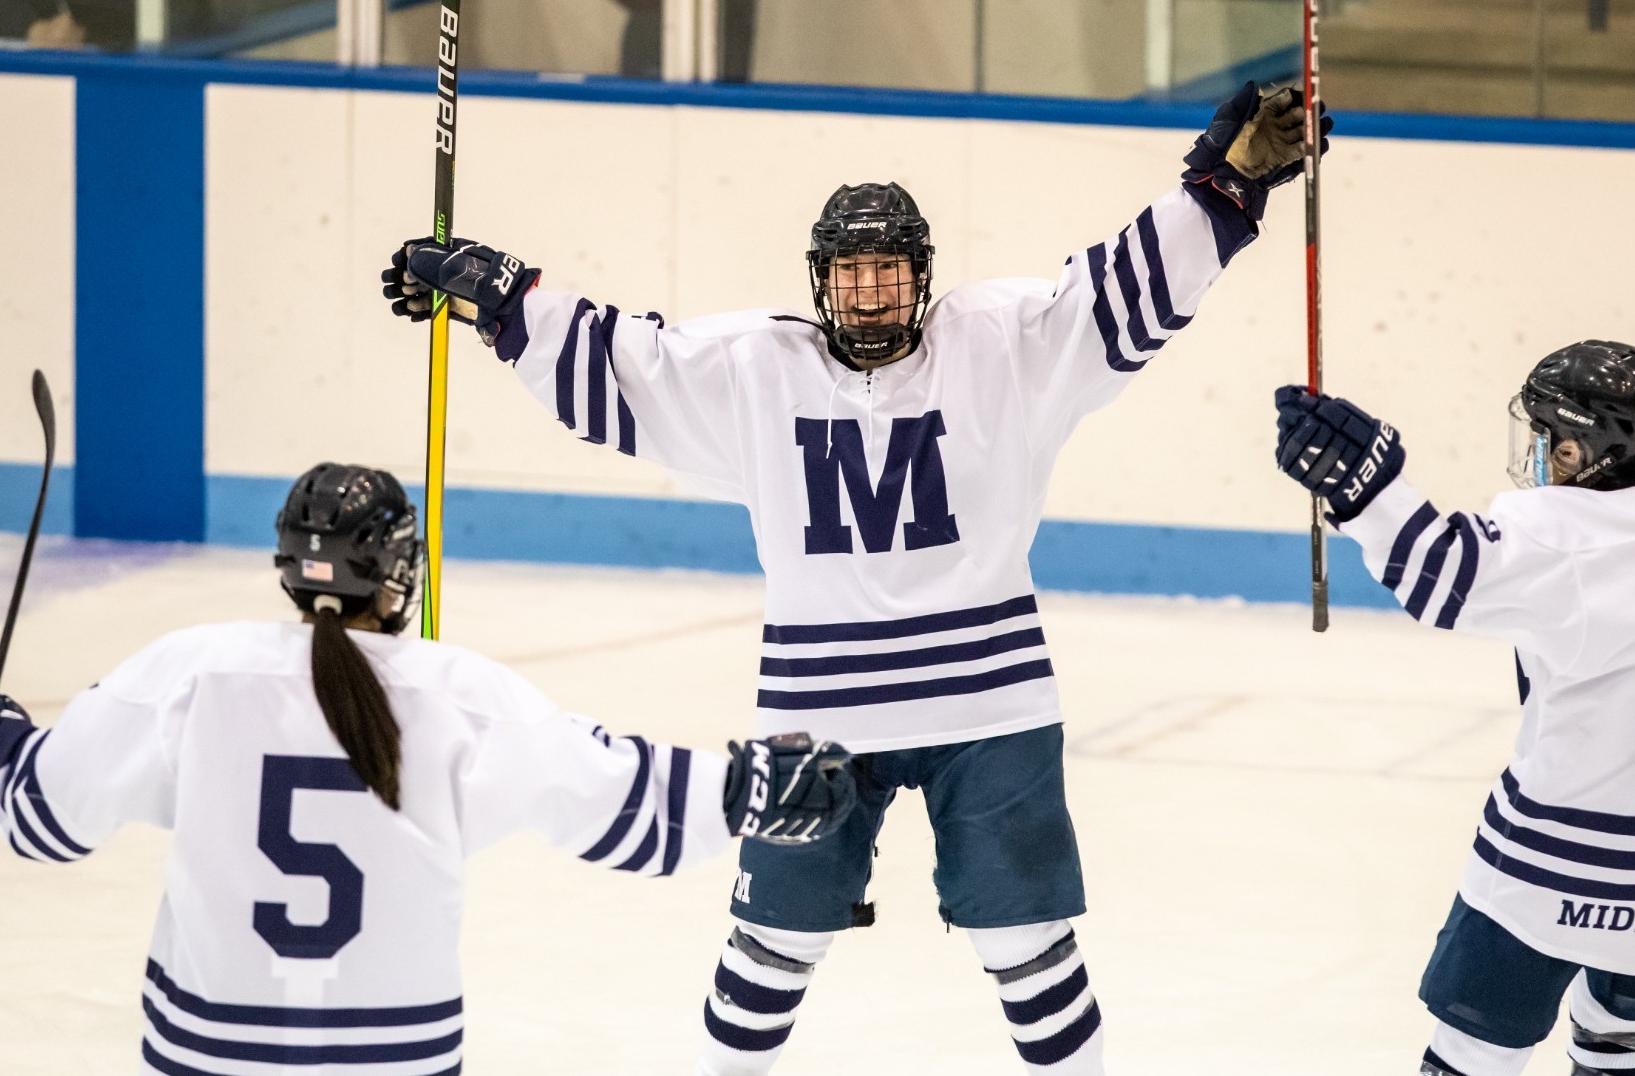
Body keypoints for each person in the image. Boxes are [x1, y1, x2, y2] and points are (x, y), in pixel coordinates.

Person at [379, 82, 1329, 1075]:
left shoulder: (1001, 343)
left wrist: (1224, 185)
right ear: (819, 279)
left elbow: (1119, 289)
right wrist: (499, 296)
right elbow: (625, 359)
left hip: (989, 704)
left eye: (886, 271)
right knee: (771, 948)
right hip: (817, 711)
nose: (869, 292)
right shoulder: (755, 367)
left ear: (920, 277)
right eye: (850, 272)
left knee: (1028, 946)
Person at [0, 462, 855, 1076]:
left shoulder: (191, 670)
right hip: (395, 1050)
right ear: (398, 569)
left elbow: (48, 815)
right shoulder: (459, 693)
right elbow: (616, 799)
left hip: (210, 1045)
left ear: (288, 569)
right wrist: (748, 790)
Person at [1270, 341, 1635, 1076]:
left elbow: (1438, 573)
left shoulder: (1561, 540)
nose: (1535, 449)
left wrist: (1364, 485)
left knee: (1472, 1053)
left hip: (1563, 864)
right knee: (1620, 1043)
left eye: (1545, 435)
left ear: (1578, 447)